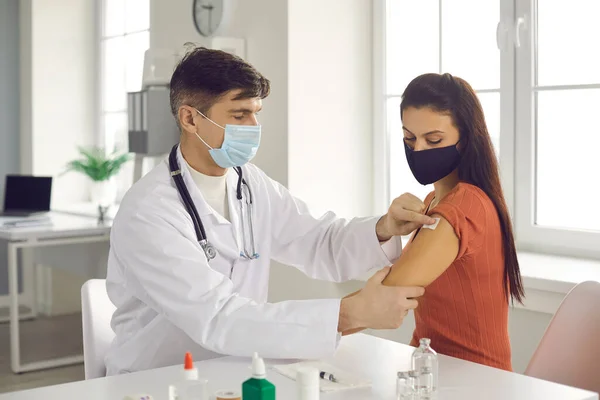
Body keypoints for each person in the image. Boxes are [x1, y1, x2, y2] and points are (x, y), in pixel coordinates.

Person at [104, 46, 432, 375]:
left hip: (236, 371)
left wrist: (384, 228)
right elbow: (217, 317)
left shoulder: (249, 183)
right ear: (190, 118)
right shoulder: (148, 211)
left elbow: (318, 241)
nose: (253, 125)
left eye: (256, 112)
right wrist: (348, 314)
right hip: (157, 380)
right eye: (239, 115)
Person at [344, 73, 524, 371]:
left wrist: (289, 331)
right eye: (409, 138)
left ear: (466, 138)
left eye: (434, 139)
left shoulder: (464, 207)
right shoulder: (432, 201)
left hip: (474, 381)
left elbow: (381, 300)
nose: (418, 150)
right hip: (430, 370)